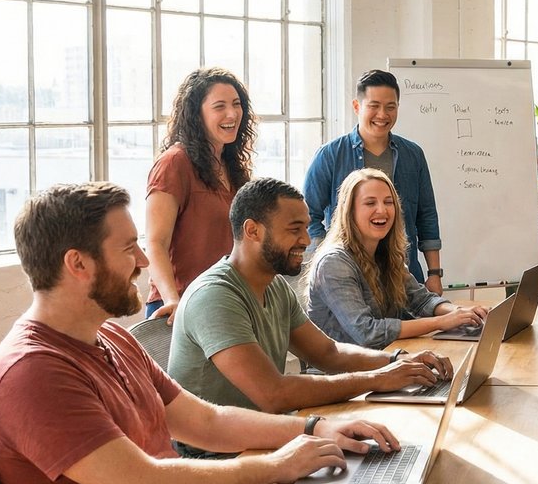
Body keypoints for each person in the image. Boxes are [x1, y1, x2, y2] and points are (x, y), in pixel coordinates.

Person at [0, 182, 400, 484]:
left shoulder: (110, 338)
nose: (144, 260)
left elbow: (208, 421)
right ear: (78, 264)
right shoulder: (35, 373)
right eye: (128, 249)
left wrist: (315, 428)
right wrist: (275, 466)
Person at [169, 178, 452, 426]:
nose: (306, 240)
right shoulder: (215, 296)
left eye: (305, 228)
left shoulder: (275, 285)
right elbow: (273, 394)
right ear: (252, 231)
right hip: (219, 454)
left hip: (267, 432)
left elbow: (328, 353)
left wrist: (397, 360)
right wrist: (379, 377)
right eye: (294, 230)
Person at [306, 168, 488, 349]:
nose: (382, 210)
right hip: (343, 373)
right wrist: (441, 322)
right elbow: (367, 333)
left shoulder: (385, 253)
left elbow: (421, 300)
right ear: (349, 211)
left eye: (388, 202)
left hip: (384, 360)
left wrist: (459, 312)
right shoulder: (333, 263)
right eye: (370, 203)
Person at [303, 70, 444, 292]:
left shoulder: (413, 154)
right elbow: (309, 215)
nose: (382, 114)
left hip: (404, 275)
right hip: (350, 278)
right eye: (374, 106)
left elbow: (426, 216)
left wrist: (434, 274)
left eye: (390, 107)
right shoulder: (331, 155)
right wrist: (327, 259)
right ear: (357, 107)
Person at [144, 67, 256, 321]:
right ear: (197, 114)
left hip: (223, 301)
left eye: (237, 104)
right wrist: (174, 299)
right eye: (219, 106)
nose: (232, 114)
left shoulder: (231, 165)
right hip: (179, 307)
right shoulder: (174, 163)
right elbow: (155, 243)